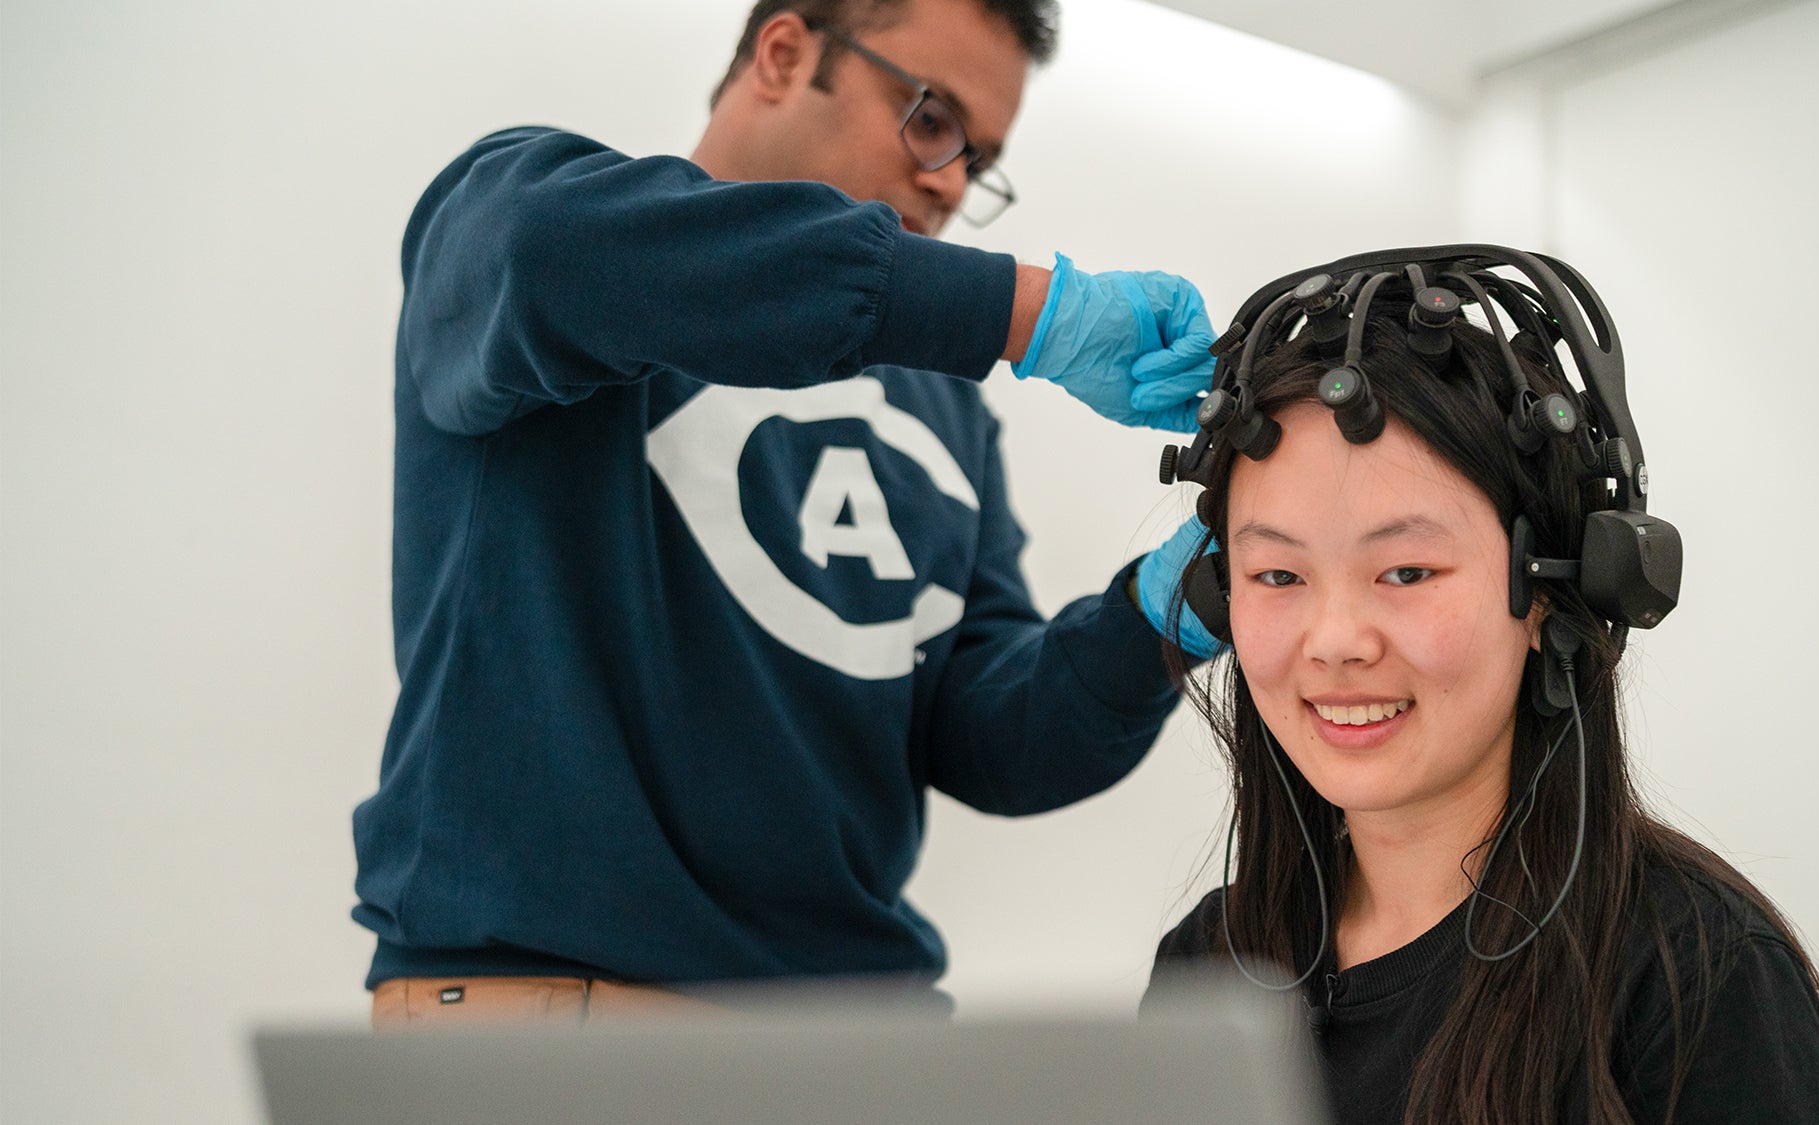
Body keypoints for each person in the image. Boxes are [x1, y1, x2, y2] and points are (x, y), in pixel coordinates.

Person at [353, 0, 1223, 1028]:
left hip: (857, 1036)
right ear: (782, 53)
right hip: (556, 1016)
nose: (947, 180)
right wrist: (1024, 312)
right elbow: (545, 255)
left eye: (976, 157)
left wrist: (1168, 615)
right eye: (931, 120)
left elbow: (987, 735)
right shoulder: (521, 229)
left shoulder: (940, 407)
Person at [1143, 248, 1819, 1122]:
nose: (1333, 643)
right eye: (1278, 577)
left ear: (1556, 593)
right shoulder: (1208, 966)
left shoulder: (1692, 973)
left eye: (1405, 572)